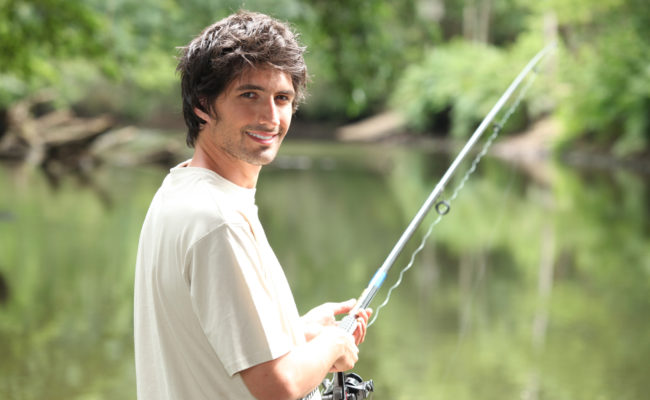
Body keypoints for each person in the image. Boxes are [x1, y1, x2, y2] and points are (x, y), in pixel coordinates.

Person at [134, 10, 371, 400]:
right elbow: (277, 386)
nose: (271, 117)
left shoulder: (180, 189)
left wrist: (298, 334)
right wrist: (332, 347)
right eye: (249, 95)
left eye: (282, 98)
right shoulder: (219, 221)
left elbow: (216, 346)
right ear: (202, 103)